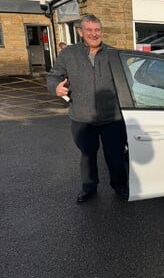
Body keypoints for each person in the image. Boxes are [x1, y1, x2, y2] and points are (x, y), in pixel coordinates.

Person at [47, 14, 129, 204]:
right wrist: (55, 87)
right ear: (80, 32)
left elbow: (127, 81)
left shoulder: (113, 53)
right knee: (87, 156)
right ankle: (89, 188)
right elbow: (53, 75)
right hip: (82, 118)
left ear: (102, 31)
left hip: (113, 118)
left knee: (115, 156)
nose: (94, 34)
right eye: (90, 30)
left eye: (97, 30)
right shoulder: (69, 54)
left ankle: (120, 186)